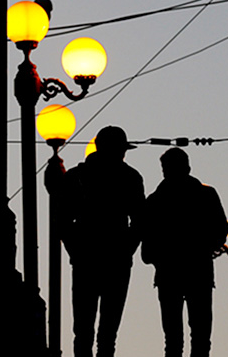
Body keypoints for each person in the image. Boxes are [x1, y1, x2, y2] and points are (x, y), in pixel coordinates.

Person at [61, 125, 145, 357]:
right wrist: (126, 249)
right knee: (105, 332)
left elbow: (63, 221)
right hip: (109, 257)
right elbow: (139, 221)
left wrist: (75, 250)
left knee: (85, 330)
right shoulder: (130, 177)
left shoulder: (76, 176)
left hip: (89, 257)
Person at [141, 147, 228, 357]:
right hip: (198, 271)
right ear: (188, 167)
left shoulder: (154, 201)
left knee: (174, 338)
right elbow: (221, 229)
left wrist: (158, 256)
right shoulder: (206, 194)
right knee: (199, 336)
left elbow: (147, 245)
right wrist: (207, 246)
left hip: (169, 273)